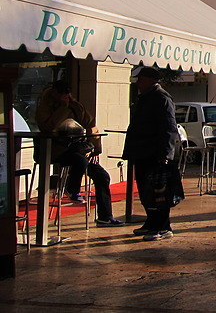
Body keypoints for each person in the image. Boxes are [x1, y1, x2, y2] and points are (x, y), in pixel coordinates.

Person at [35, 80, 123, 227]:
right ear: (54, 93)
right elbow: (49, 127)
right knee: (79, 161)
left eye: (67, 93)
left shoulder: (75, 106)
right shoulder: (45, 108)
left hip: (76, 149)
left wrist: (95, 149)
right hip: (56, 150)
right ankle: (72, 189)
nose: (65, 96)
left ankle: (105, 216)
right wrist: (63, 108)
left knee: (102, 176)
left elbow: (91, 124)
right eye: (61, 93)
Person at [123, 66, 182, 241]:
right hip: (142, 151)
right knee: (145, 190)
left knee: (159, 192)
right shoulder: (145, 97)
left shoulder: (161, 98)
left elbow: (169, 128)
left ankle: (163, 226)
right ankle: (151, 222)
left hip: (154, 153)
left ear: (151, 80)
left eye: (141, 79)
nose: (138, 83)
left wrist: (165, 154)